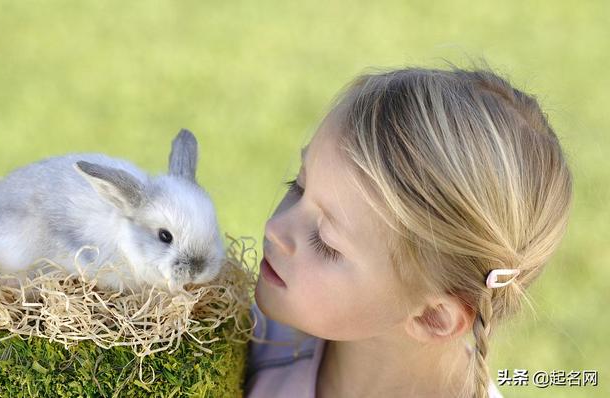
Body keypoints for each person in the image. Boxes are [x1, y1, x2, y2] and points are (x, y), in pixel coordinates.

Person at [244, 62, 573, 398]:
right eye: (298, 186)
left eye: (326, 242)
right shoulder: (239, 339)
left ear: (433, 317)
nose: (275, 228)